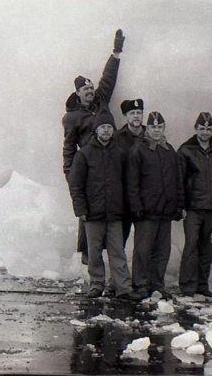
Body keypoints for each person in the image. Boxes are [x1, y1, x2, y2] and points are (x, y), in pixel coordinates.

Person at [62, 29, 126, 264]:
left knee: (113, 208)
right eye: (86, 90)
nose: (90, 92)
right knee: (88, 213)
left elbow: (108, 78)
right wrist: (70, 174)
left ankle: (113, 256)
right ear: (78, 94)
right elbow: (69, 148)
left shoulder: (101, 101)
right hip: (89, 165)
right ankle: (87, 257)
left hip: (111, 159)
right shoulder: (71, 118)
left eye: (91, 88)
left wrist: (116, 52)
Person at [67, 110, 144, 301]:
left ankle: (123, 287)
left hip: (116, 214)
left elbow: (128, 183)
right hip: (93, 214)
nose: (106, 130)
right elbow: (76, 184)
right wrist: (81, 209)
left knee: (117, 251)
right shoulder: (84, 154)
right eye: (103, 127)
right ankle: (96, 284)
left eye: (109, 127)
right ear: (96, 130)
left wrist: (127, 207)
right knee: (94, 253)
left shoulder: (120, 154)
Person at [127, 111, 184, 299]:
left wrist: (178, 205)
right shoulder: (139, 150)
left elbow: (177, 181)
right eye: (153, 127)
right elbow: (132, 181)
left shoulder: (169, 151)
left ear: (164, 128)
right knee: (143, 250)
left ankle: (157, 284)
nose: (156, 130)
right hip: (146, 211)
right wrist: (135, 206)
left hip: (165, 211)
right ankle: (140, 285)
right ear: (147, 128)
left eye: (160, 127)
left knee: (162, 251)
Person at [177, 112, 212, 297]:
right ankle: (187, 286)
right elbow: (179, 180)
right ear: (196, 129)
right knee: (191, 246)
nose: (205, 132)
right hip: (193, 208)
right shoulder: (186, 150)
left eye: (208, 128)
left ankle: (202, 284)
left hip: (211, 208)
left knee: (209, 247)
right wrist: (181, 205)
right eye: (202, 128)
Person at [114, 98, 146, 244]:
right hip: (124, 197)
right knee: (120, 237)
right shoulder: (117, 138)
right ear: (126, 116)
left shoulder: (150, 135)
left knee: (145, 240)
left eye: (139, 112)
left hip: (146, 196)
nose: (136, 116)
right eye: (132, 113)